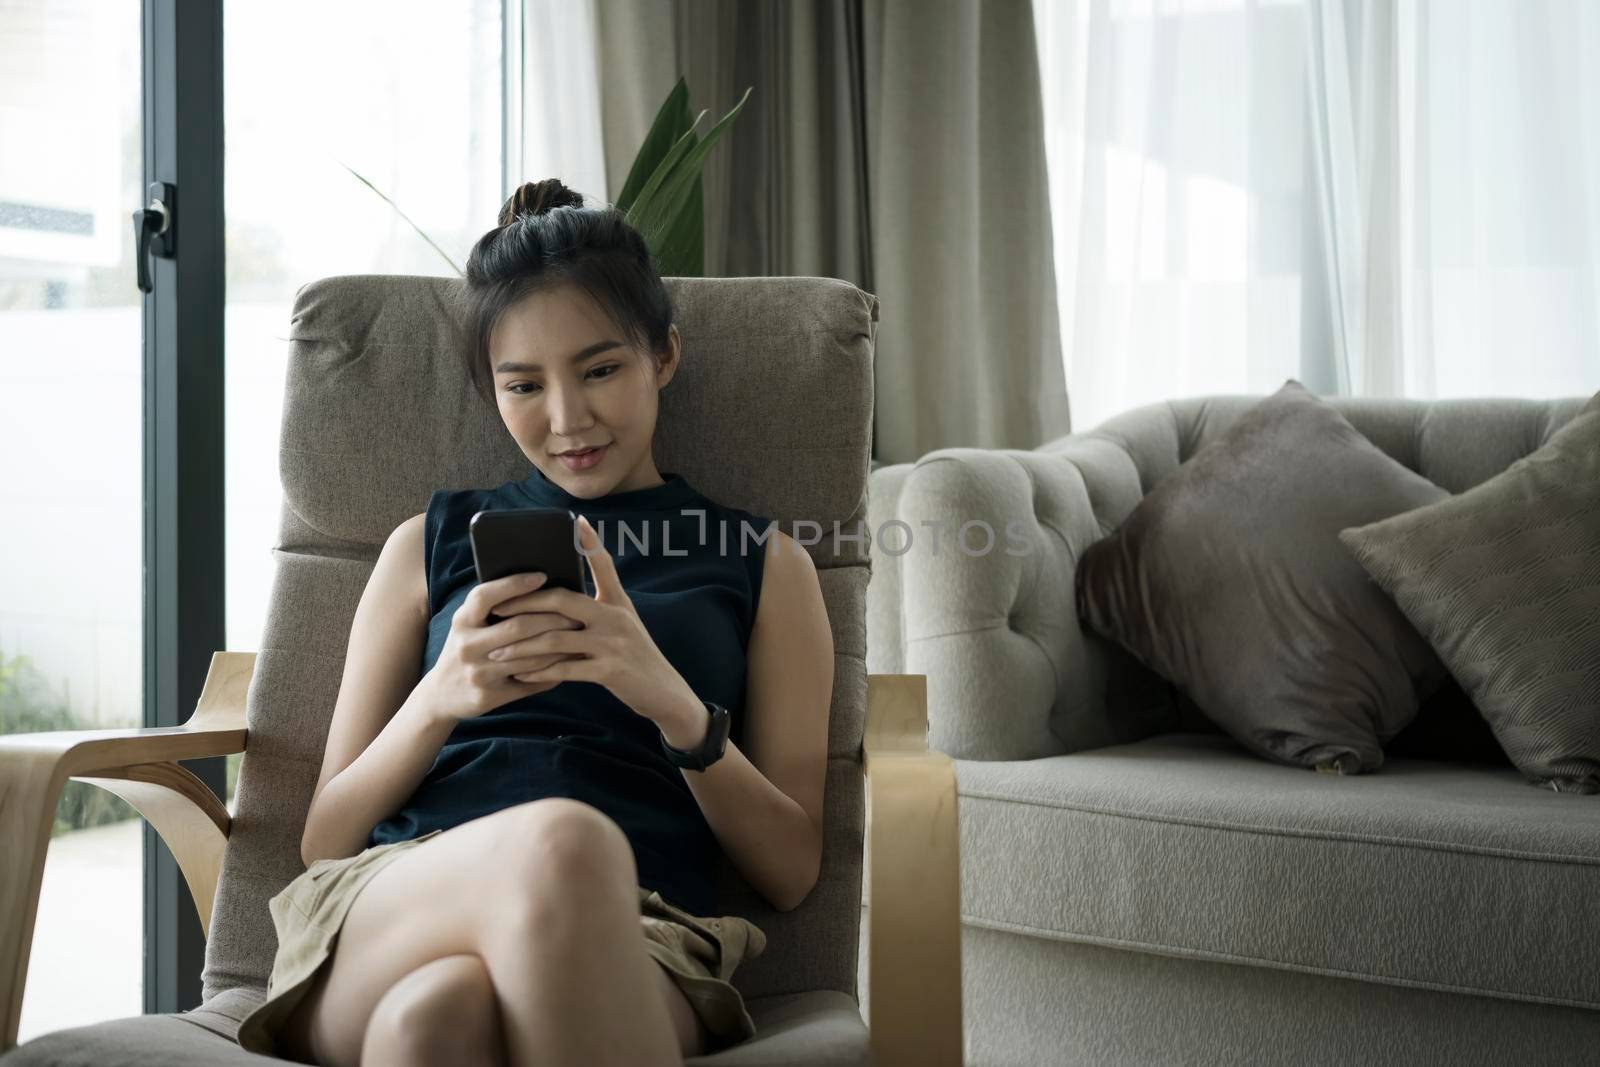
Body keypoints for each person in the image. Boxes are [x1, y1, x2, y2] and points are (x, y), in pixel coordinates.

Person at [233, 178, 835, 1067]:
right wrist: (438, 699)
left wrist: (671, 702)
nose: (567, 419)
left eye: (601, 370)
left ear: (663, 355)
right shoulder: (421, 547)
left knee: (435, 1022)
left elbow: (790, 869)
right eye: (523, 384)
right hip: (397, 899)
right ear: (491, 388)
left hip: (639, 928)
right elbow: (325, 836)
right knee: (559, 839)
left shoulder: (766, 564)